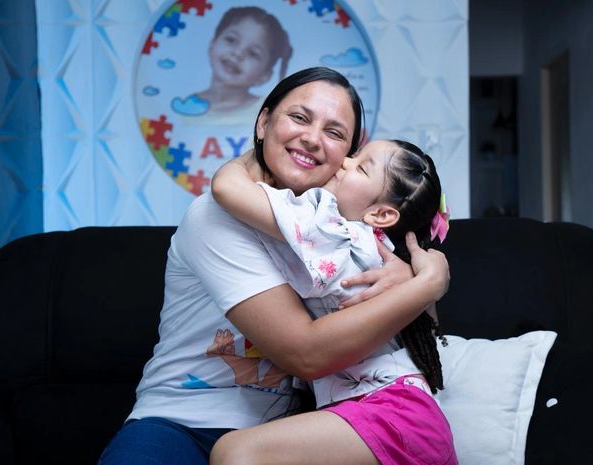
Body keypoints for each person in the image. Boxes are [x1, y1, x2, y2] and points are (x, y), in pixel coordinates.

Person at [99, 67, 450, 465]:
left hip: (301, 428)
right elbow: (305, 353)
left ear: (346, 157)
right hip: (185, 421)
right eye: (299, 117)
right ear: (263, 122)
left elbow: (420, 328)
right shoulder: (217, 216)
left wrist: (414, 272)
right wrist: (427, 283)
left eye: (335, 133)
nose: (313, 138)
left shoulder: (342, 227)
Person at [208, 139, 457, 465]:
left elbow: (226, 188)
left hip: (395, 413)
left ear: (381, 214)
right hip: (395, 415)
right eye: (355, 155)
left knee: (235, 452)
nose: (344, 162)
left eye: (361, 167)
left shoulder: (334, 230)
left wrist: (259, 148)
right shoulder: (378, 248)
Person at [172, 6, 293, 117]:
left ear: (264, 76)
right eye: (231, 40)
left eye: (253, 53)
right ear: (212, 44)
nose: (238, 53)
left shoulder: (265, 112)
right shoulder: (188, 104)